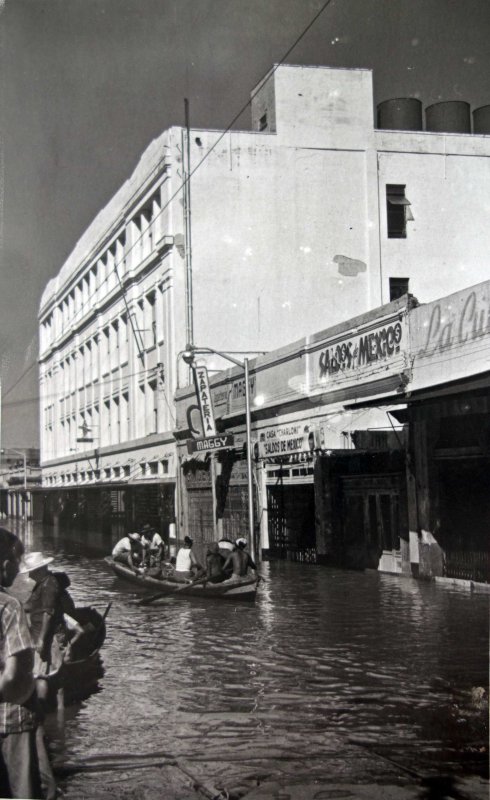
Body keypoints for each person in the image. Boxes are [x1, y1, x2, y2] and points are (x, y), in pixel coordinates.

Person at [0, 528, 44, 799]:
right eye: (17, 562)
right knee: (22, 792)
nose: (19, 569)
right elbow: (13, 676)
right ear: (5, 565)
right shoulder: (9, 607)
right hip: (11, 719)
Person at [22, 552, 67, 675]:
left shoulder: (49, 584)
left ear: (40, 570)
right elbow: (30, 605)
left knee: (53, 674)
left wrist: (41, 639)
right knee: (43, 672)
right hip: (41, 635)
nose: (30, 574)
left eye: (32, 571)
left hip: (50, 637)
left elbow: (48, 613)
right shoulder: (41, 583)